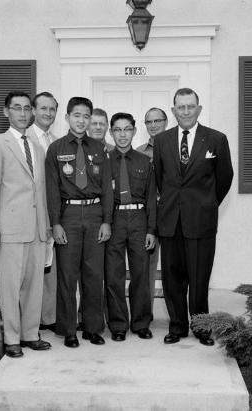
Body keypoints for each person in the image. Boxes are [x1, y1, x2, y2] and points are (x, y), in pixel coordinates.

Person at [153, 88, 233, 346]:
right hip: (171, 222)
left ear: (198, 109)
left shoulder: (216, 139)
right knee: (172, 278)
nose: (185, 111)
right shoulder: (162, 140)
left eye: (190, 106)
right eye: (180, 107)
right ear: (173, 110)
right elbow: (160, 180)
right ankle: (177, 327)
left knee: (199, 278)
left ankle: (201, 327)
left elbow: (225, 178)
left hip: (201, 221)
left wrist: (208, 204)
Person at [0, 91, 51, 358]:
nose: (23, 113)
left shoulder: (36, 147)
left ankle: (30, 334)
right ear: (5, 112)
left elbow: (40, 190)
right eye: (17, 108)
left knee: (34, 284)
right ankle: (11, 339)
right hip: (9, 227)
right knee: (10, 285)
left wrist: (45, 224)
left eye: (26, 109)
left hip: (35, 227)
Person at [45, 96, 113, 348]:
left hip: (95, 215)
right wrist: (56, 223)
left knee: (94, 275)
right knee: (67, 275)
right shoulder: (56, 149)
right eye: (77, 115)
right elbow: (52, 189)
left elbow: (107, 188)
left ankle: (93, 328)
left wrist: (107, 221)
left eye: (86, 116)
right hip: (69, 216)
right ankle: (69, 329)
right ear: (67, 117)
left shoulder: (99, 149)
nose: (82, 120)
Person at [105, 112, 156, 341]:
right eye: (117, 129)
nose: (122, 134)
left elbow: (152, 199)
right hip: (114, 220)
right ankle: (117, 324)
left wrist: (151, 230)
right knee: (114, 275)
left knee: (141, 274)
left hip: (138, 219)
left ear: (135, 131)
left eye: (127, 129)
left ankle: (141, 323)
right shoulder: (104, 161)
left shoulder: (145, 161)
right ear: (111, 132)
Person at [27, 91, 58, 333]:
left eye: (52, 109)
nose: (48, 113)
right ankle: (29, 322)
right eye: (43, 108)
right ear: (34, 111)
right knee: (30, 273)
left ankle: (47, 318)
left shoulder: (55, 141)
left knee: (50, 270)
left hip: (53, 215)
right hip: (30, 217)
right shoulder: (24, 139)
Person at [136, 107, 168, 319]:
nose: (154, 125)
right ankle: (145, 314)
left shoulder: (176, 148)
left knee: (175, 266)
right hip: (149, 217)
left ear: (166, 122)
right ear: (145, 125)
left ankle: (177, 314)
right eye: (149, 122)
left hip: (173, 215)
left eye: (157, 120)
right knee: (147, 266)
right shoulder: (139, 153)